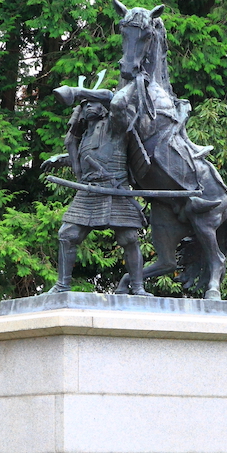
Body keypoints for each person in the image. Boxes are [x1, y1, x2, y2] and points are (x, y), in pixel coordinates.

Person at [43, 87, 150, 296]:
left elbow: (115, 101)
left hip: (115, 190)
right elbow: (88, 159)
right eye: (85, 104)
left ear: (104, 107)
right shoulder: (84, 137)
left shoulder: (115, 125)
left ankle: (137, 287)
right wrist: (59, 159)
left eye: (93, 101)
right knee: (67, 234)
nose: (89, 106)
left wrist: (78, 92)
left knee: (129, 238)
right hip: (90, 191)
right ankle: (62, 285)